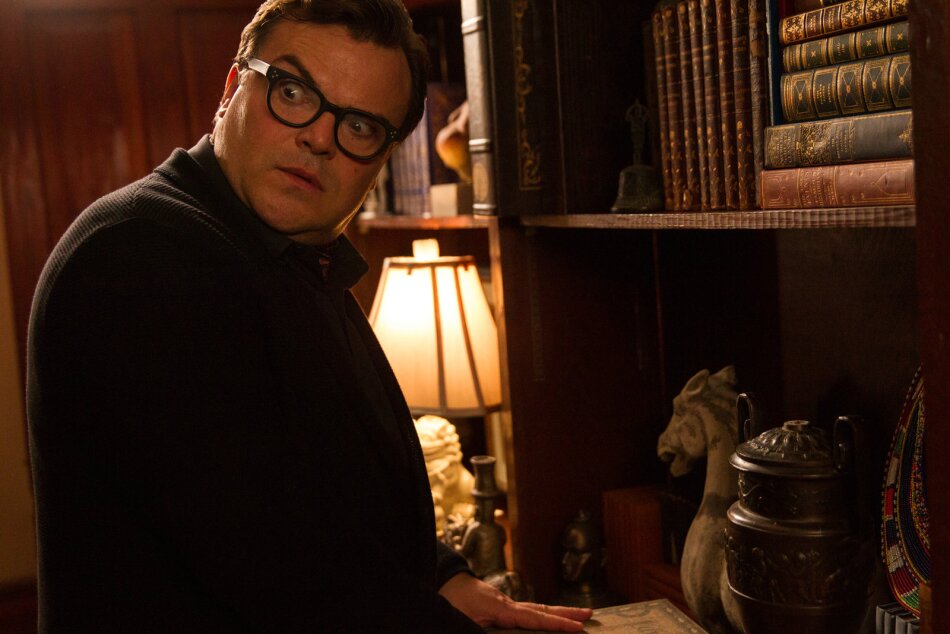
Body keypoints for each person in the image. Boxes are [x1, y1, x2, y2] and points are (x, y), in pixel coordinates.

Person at [26, 0, 593, 631]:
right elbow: (280, 575)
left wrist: (443, 577)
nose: (320, 138)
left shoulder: (287, 255)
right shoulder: (138, 256)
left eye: (360, 126)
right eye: (292, 92)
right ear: (231, 89)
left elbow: (320, 497)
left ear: (381, 159)